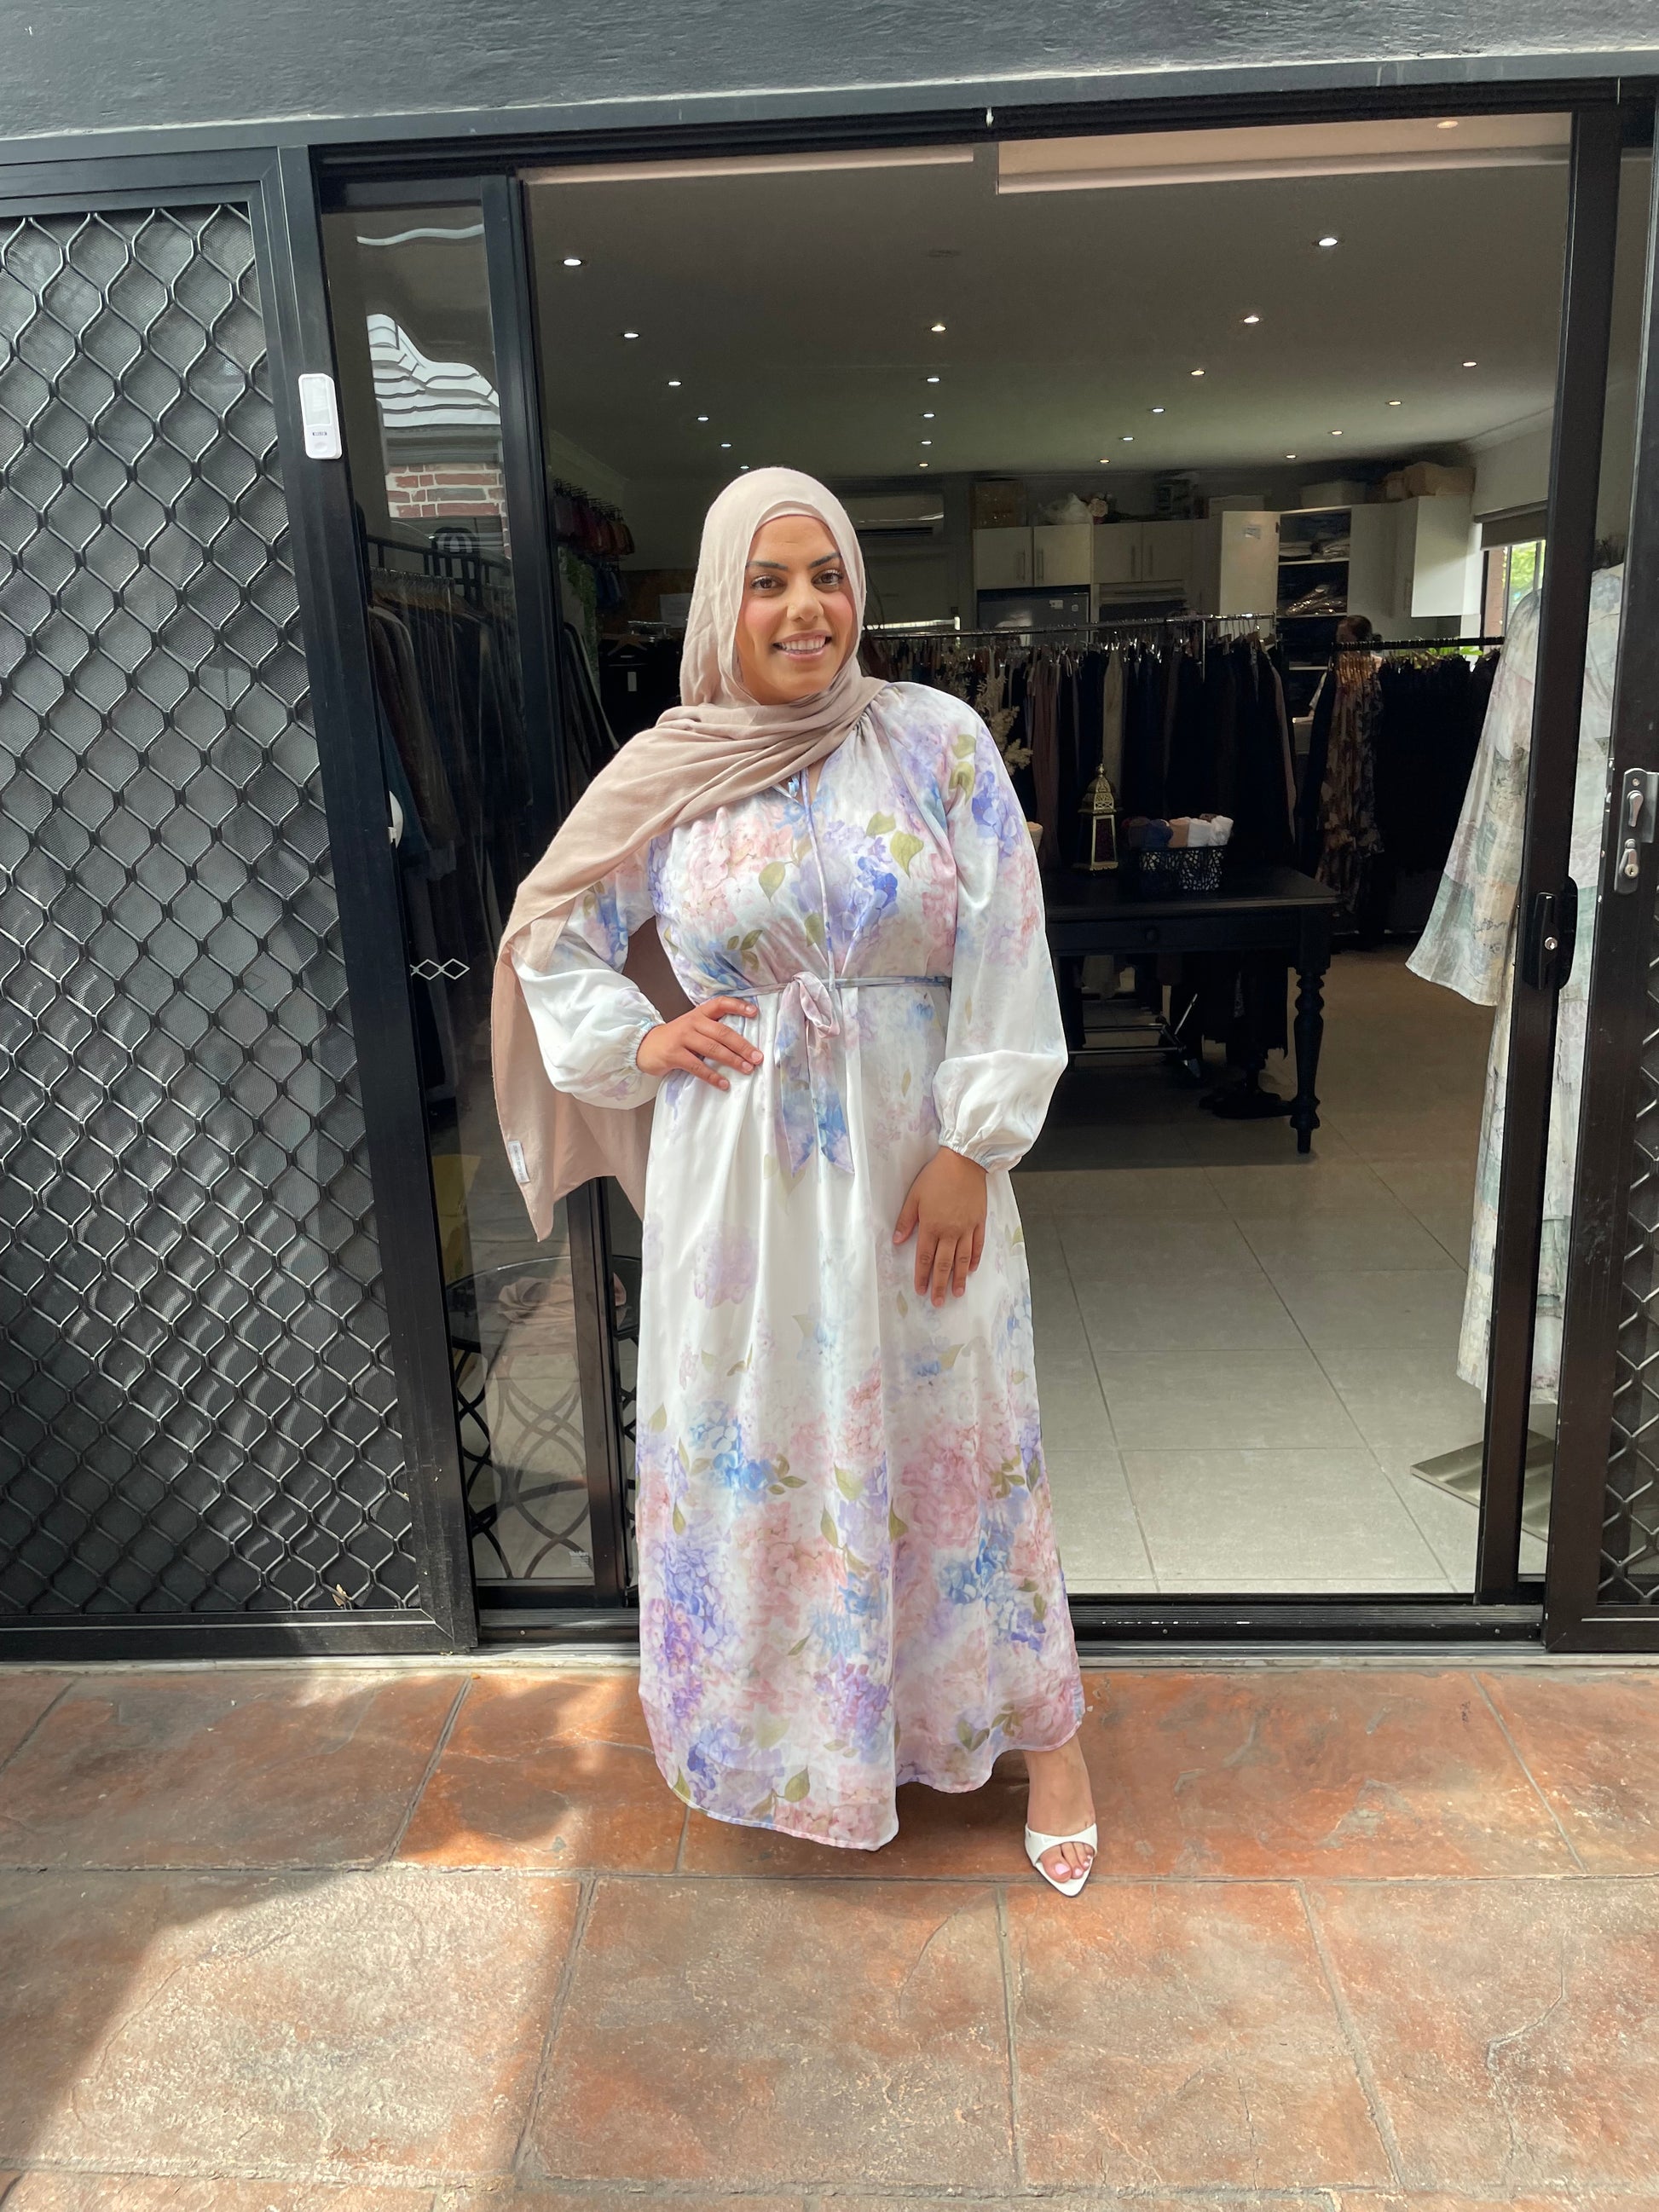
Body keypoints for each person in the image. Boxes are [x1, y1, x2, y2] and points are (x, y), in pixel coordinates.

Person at [493, 468, 1095, 1891]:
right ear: (723, 601)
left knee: (962, 1441)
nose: (803, 608)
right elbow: (548, 930)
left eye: (824, 575)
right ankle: (793, 1745)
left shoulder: (935, 740)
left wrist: (973, 1147)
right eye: (767, 582)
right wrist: (639, 1037)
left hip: (917, 1170)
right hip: (740, 1189)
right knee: (760, 1446)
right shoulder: (671, 770)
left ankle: (1045, 1739)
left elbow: (1008, 937)